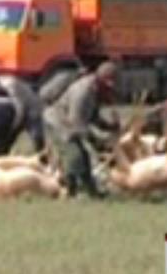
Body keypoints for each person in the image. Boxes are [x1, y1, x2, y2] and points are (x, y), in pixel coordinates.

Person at [43, 61, 119, 198]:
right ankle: (69, 191)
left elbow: (92, 116)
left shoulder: (95, 90)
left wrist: (108, 126)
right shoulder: (83, 92)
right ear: (101, 79)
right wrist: (97, 142)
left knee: (83, 157)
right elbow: (76, 123)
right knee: (74, 156)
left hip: (70, 124)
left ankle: (91, 192)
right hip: (59, 123)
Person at [0, 74, 46, 154]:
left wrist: (12, 127)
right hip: (26, 112)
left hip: (33, 114)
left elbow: (19, 110)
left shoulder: (10, 84)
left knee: (35, 140)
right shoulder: (6, 81)